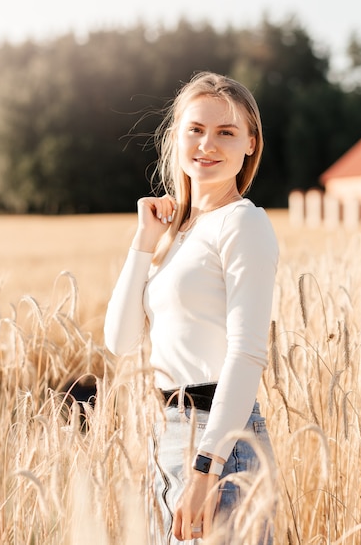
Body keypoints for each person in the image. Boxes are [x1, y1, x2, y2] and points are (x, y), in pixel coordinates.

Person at [104, 71, 278, 544]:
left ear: (249, 144)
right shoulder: (173, 234)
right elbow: (119, 342)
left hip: (221, 446)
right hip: (169, 437)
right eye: (196, 130)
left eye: (226, 132)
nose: (208, 144)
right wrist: (143, 243)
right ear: (176, 136)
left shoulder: (242, 225)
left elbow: (246, 355)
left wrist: (206, 467)